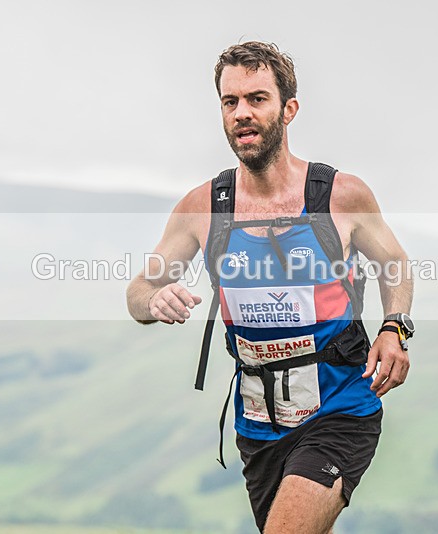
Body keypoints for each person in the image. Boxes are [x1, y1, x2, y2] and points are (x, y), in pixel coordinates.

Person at [127, 41, 414, 534]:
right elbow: (138, 292)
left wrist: (394, 327)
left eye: (257, 98)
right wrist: (154, 299)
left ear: (288, 108)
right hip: (257, 427)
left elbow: (395, 264)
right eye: (229, 101)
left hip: (340, 409)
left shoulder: (340, 196)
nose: (242, 113)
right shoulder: (204, 206)